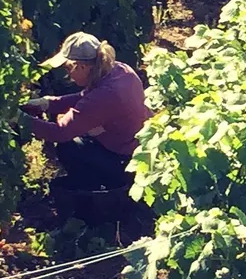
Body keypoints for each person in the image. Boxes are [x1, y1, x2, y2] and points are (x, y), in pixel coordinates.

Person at [21, 32, 152, 195]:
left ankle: (98, 186)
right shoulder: (118, 70)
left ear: (82, 66)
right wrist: (48, 103)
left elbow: (59, 132)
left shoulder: (103, 97)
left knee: (68, 146)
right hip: (137, 148)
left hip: (123, 159)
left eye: (68, 68)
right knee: (78, 133)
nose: (67, 74)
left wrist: (21, 119)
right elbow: (84, 98)